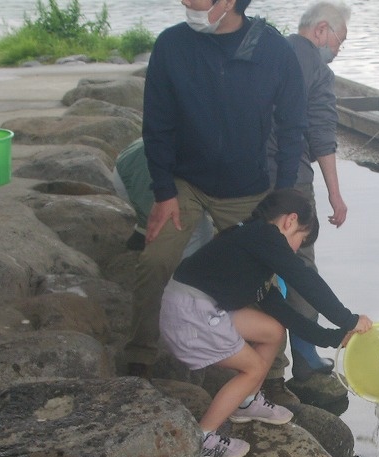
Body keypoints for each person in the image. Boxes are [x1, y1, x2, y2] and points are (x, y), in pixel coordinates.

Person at [124, 0, 307, 409]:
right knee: (156, 260)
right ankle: (139, 359)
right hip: (185, 182)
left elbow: (293, 127)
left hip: (247, 188)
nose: (186, 2)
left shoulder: (273, 49)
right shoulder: (172, 45)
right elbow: (157, 124)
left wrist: (283, 197)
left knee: (264, 278)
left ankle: (272, 375)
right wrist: (163, 192)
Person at [160, 189, 372, 457]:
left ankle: (246, 402)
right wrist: (349, 319)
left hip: (199, 307)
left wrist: (334, 337)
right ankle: (203, 439)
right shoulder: (263, 236)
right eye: (301, 240)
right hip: (190, 315)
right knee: (254, 367)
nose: (295, 250)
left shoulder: (253, 247)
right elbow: (305, 280)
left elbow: (283, 312)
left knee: (273, 331)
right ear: (290, 221)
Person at [266, 1, 350, 382]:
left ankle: (263, 362)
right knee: (299, 264)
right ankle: (305, 356)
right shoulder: (319, 70)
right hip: (292, 181)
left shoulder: (270, 51)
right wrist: (335, 195)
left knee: (257, 259)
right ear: (320, 30)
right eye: (339, 40)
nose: (338, 49)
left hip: (248, 178)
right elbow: (322, 137)